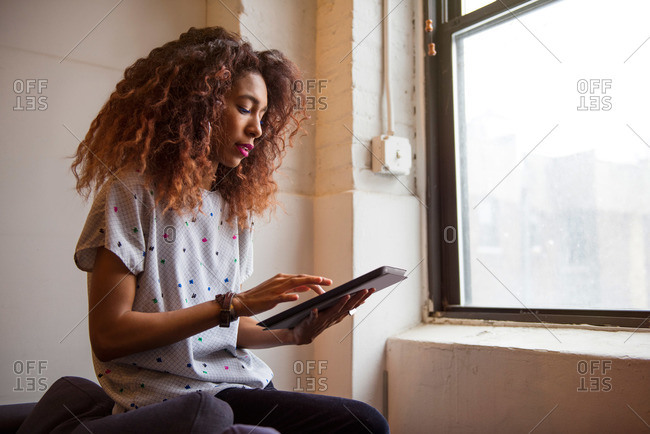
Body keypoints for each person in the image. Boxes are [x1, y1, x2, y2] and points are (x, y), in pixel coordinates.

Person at [70, 26, 389, 433]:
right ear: (198, 105)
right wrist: (232, 304)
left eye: (262, 115)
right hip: (174, 398)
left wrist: (293, 335)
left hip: (239, 384)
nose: (257, 129)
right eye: (244, 108)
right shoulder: (130, 192)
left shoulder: (232, 208)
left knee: (361, 422)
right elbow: (109, 335)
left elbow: (220, 333)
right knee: (364, 424)